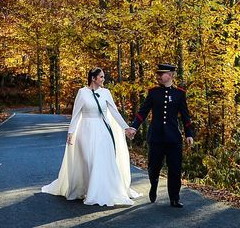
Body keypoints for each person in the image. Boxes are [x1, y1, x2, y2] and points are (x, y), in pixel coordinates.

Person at [41, 68, 141, 206]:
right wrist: (70, 133)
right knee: (89, 161)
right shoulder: (82, 93)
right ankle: (88, 188)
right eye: (101, 77)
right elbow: (76, 115)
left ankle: (100, 192)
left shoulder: (106, 93)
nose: (103, 79)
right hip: (86, 131)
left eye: (103, 77)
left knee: (102, 160)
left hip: (103, 131)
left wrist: (126, 128)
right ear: (93, 78)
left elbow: (114, 112)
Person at [126, 63, 194, 208]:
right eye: (157, 74)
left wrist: (189, 134)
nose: (158, 76)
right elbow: (142, 112)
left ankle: (174, 198)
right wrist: (134, 127)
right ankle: (154, 184)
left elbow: (185, 117)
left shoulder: (179, 94)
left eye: (160, 74)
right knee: (153, 168)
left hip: (173, 138)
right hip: (156, 137)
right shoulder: (153, 93)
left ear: (170, 75)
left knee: (175, 169)